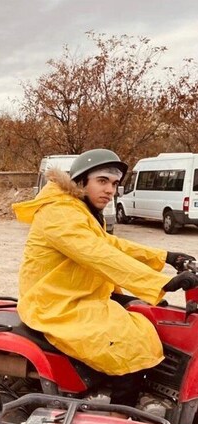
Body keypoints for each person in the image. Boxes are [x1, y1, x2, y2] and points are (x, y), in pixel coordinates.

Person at [13, 148, 198, 404]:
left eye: (114, 183)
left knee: (154, 311)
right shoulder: (59, 213)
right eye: (102, 181)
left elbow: (110, 244)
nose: (110, 190)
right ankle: (123, 414)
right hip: (57, 304)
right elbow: (97, 253)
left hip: (79, 293)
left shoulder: (79, 209)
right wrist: (160, 281)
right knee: (134, 346)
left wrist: (166, 256)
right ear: (80, 181)